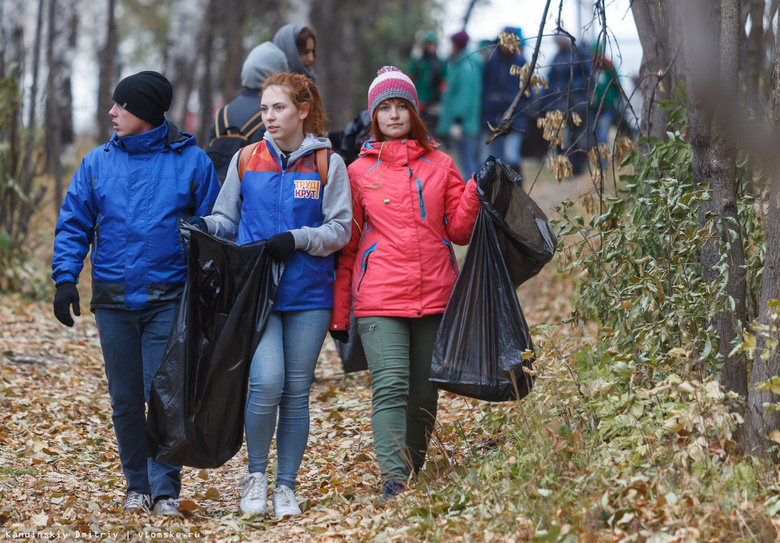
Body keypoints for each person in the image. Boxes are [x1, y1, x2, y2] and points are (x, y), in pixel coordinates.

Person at [51, 71, 221, 517]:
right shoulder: (96, 163)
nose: (112, 112)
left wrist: (206, 287)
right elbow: (74, 223)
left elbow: (218, 229)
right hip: (113, 300)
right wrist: (65, 278)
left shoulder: (193, 162)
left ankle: (165, 490)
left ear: (144, 113)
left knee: (163, 395)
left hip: (169, 297)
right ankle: (137, 486)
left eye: (120, 106)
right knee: (126, 399)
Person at [193, 72, 351, 517]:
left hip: (307, 293)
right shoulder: (245, 159)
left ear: (303, 110)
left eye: (278, 108)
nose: (269, 117)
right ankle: (256, 478)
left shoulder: (327, 164)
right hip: (255, 292)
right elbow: (226, 218)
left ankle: (286, 486)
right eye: (264, 109)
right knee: (265, 383)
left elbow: (339, 229)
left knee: (296, 391)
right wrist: (204, 226)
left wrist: (298, 238)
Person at [330, 66, 482, 499]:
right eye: (384, 107)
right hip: (380, 298)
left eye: (401, 106)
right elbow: (348, 247)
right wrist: (341, 314)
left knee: (423, 391)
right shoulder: (356, 172)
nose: (393, 115)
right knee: (392, 385)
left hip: (435, 295)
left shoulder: (441, 164)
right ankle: (394, 481)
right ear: (373, 115)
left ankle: (412, 467)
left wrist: (473, 189)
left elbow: (459, 230)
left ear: (413, 112)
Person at [205, 42, 289, 183]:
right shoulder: (273, 115)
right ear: (279, 75)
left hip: (216, 197)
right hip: (254, 199)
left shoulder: (222, 113)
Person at [480, 26, 528, 183]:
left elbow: (528, 92)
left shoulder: (521, 63)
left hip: (513, 118)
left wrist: (519, 110)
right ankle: (491, 192)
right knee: (489, 157)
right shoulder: (491, 62)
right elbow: (484, 87)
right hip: (491, 116)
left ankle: (517, 191)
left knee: (511, 156)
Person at [544, 31, 594, 175]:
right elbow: (551, 79)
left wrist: (572, 87)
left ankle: (578, 169)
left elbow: (588, 76)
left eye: (558, 41)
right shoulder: (557, 57)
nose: (556, 44)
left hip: (577, 104)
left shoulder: (579, 54)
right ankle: (565, 168)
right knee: (560, 137)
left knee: (576, 135)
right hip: (559, 105)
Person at [436, 29, 483, 180]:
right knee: (465, 162)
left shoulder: (466, 67)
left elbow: (464, 96)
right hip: (463, 123)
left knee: (467, 163)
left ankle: (475, 197)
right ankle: (474, 195)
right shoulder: (461, 64)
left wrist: (457, 121)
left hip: (463, 124)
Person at [408, 31, 445, 131]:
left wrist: (437, 99)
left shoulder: (440, 64)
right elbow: (410, 78)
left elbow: (444, 83)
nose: (431, 47)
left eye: (433, 44)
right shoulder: (418, 61)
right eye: (429, 44)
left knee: (429, 127)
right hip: (417, 99)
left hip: (432, 100)